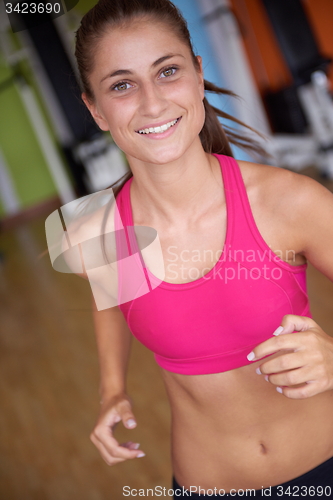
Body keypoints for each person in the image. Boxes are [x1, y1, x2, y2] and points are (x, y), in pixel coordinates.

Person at [72, 0, 333, 497]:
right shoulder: (97, 232)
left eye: (167, 71)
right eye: (122, 85)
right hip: (205, 485)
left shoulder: (289, 202)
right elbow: (112, 299)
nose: (151, 103)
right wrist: (111, 391)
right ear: (95, 109)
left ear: (196, 73)